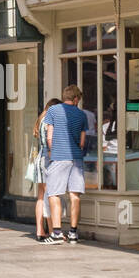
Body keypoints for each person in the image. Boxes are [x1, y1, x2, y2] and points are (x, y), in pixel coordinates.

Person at [42, 83, 88, 245]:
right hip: (76, 158)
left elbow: (49, 136)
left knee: (54, 194)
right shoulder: (82, 115)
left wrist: (51, 150)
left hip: (59, 157)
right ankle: (74, 233)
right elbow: (82, 142)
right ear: (76, 99)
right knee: (74, 196)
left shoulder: (54, 110)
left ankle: (56, 233)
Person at [32, 101, 54, 240]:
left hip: (39, 159)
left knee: (41, 197)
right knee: (49, 196)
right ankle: (53, 230)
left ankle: (40, 230)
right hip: (46, 159)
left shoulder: (41, 119)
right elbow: (49, 142)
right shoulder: (49, 120)